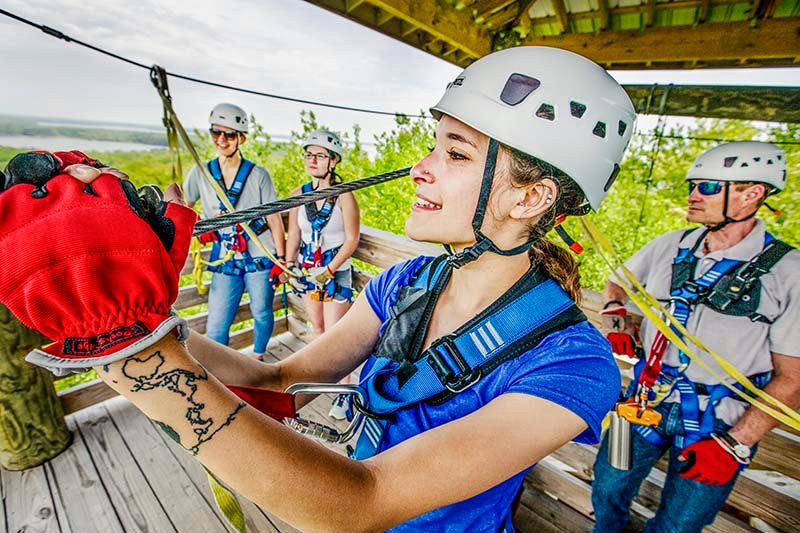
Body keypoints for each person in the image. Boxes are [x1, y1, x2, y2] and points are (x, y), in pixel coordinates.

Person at [1, 46, 636, 532]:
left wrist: (129, 349)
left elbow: (365, 501)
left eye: (457, 154)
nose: (421, 168)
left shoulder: (572, 365)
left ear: (530, 196)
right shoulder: (406, 281)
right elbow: (277, 379)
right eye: (433, 147)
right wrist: (147, 318)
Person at [591, 141, 800, 533]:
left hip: (718, 422)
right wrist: (616, 316)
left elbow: (793, 379)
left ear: (751, 194)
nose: (691, 196)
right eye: (694, 185)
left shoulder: (790, 273)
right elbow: (616, 284)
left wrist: (736, 443)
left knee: (680, 526)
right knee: (606, 490)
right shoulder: (671, 246)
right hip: (645, 402)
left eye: (706, 187)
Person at [184, 103, 286, 359]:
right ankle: (219, 370)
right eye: (216, 132)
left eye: (228, 134)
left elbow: (274, 218)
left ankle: (258, 357)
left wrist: (281, 260)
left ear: (241, 138)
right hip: (225, 256)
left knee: (262, 311)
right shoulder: (201, 173)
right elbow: (184, 207)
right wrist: (198, 227)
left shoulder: (258, 175)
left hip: (259, 253)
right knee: (217, 321)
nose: (221, 140)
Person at [285, 129, 360, 419]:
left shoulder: (344, 196)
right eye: (309, 155)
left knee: (335, 335)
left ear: (333, 161)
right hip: (307, 270)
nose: (312, 160)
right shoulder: (298, 195)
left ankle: (345, 394)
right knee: (316, 328)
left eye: (320, 155)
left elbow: (352, 239)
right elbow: (295, 234)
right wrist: (287, 264)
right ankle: (324, 384)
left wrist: (329, 270)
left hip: (335, 271)